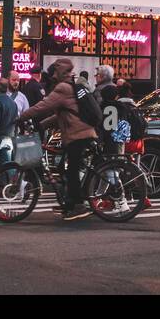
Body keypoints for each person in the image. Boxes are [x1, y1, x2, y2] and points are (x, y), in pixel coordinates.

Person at [16, 58, 98, 221]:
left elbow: (43, 106)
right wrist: (42, 124)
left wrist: (21, 116)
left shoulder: (62, 88)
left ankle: (79, 205)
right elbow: (60, 114)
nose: (52, 75)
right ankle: (68, 203)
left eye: (54, 71)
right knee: (62, 167)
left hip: (78, 134)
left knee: (72, 169)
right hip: (79, 133)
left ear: (59, 72)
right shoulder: (70, 86)